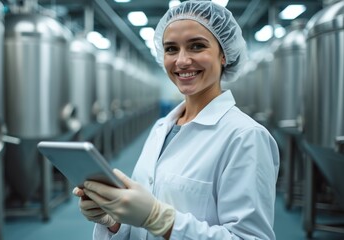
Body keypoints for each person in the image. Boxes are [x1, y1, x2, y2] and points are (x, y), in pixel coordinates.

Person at [73, 1, 280, 239]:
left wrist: (162, 220)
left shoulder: (246, 137)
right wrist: (114, 221)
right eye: (171, 49)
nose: (181, 61)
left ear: (223, 55)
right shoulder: (162, 127)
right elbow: (142, 219)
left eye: (197, 46)